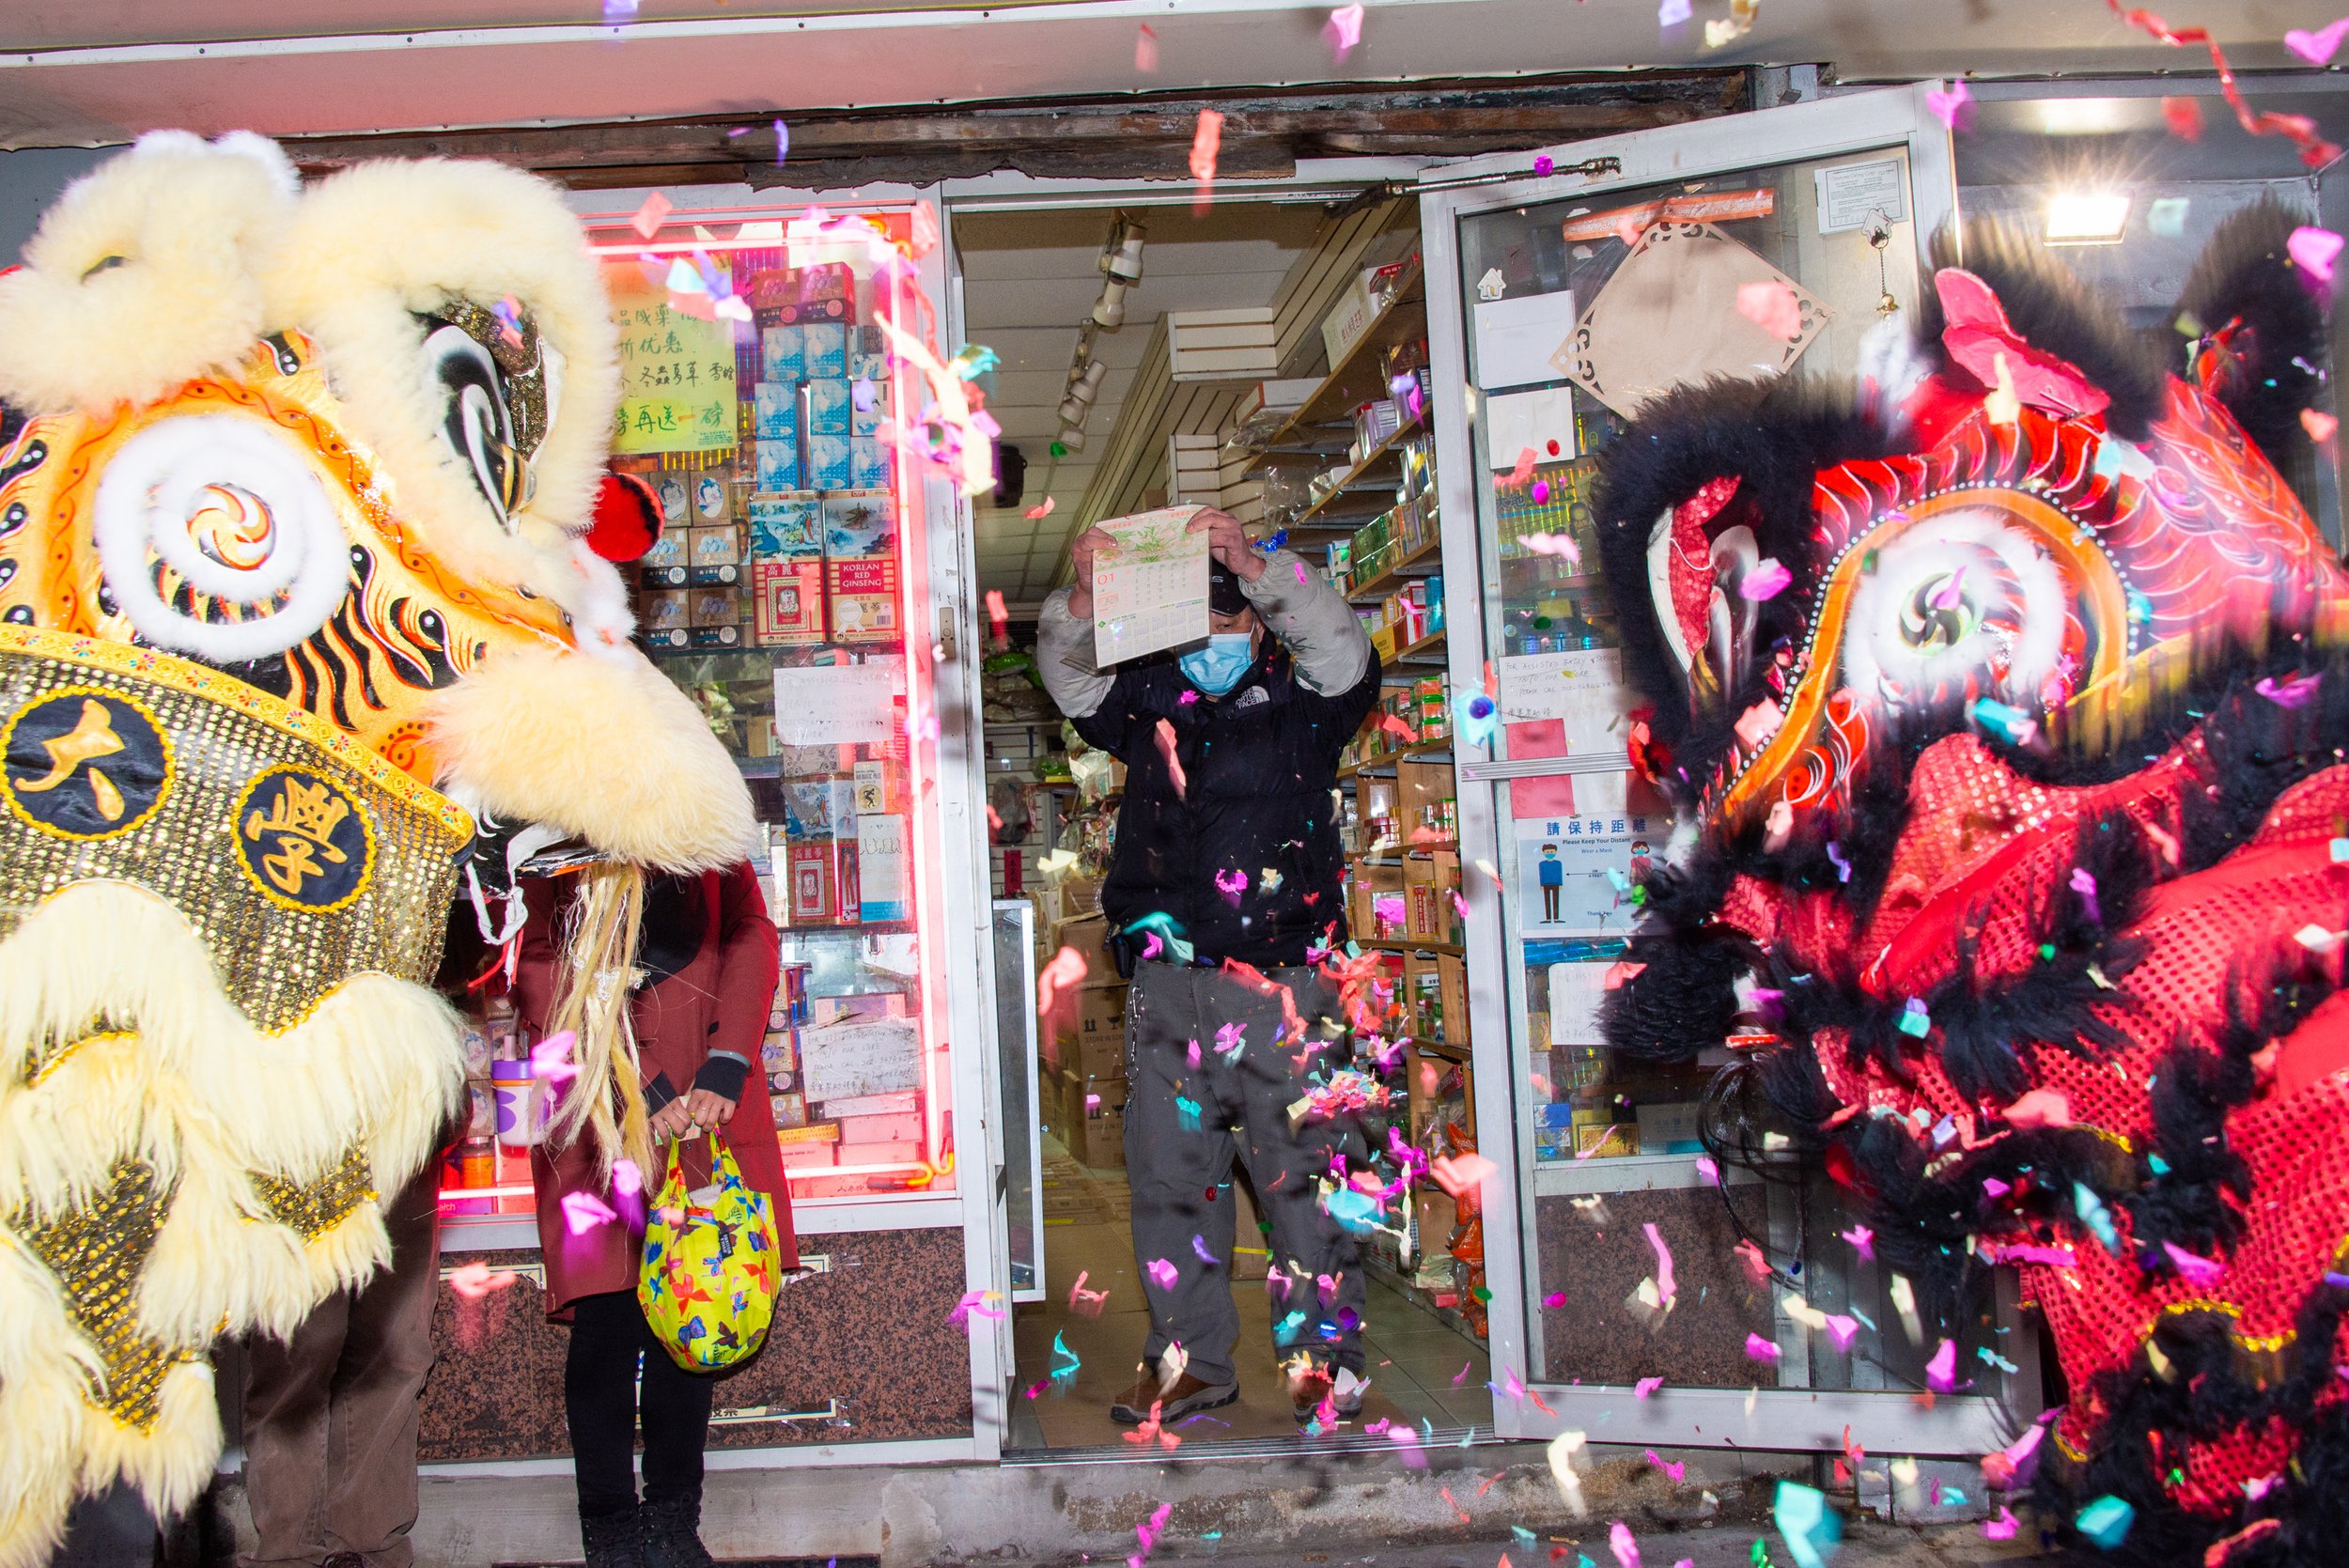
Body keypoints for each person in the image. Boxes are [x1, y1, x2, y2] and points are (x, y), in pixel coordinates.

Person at [1036, 507, 1382, 1426]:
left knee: (1302, 1187)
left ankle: (1327, 1371)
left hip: (1287, 987)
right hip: (1167, 987)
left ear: (1264, 619)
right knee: (1169, 1188)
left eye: (1237, 613)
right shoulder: (1148, 698)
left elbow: (1344, 649)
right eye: (1208, 611)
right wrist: (1081, 598)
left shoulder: (1311, 697)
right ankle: (1187, 1367)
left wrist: (1259, 564)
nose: (1222, 632)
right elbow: (1068, 680)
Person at [514, 863, 793, 1568]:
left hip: (700, 1093)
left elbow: (751, 932)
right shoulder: (559, 832)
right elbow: (543, 969)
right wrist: (631, 1084)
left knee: (692, 1306)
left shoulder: (702, 825)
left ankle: (672, 1521)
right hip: (594, 1111)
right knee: (608, 1321)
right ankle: (608, 1530)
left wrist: (727, 1058)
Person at [238, 1151, 450, 1568]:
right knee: (294, 1352)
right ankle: (288, 1555)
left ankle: (366, 1548)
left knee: (395, 1352)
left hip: (402, 1132)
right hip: (300, 1137)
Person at [1538, 844, 1563, 922]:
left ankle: (1556, 918)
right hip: (1546, 884)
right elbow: (1541, 874)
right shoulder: (1542, 864)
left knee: (1556, 901)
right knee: (1547, 901)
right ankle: (1548, 918)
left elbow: (1560, 874)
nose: (1550, 853)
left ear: (1555, 852)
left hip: (1555, 883)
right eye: (1548, 852)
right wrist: (1541, 884)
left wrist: (1560, 884)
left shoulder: (1558, 863)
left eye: (1552, 852)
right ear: (1543, 853)